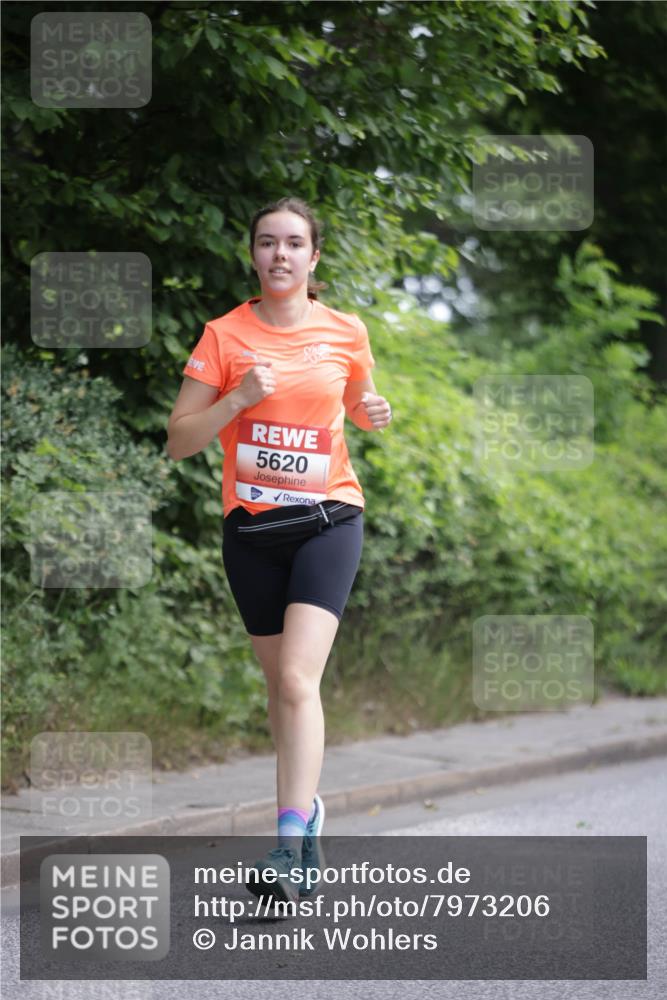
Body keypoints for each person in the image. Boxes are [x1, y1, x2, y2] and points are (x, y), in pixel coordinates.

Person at [166, 196, 392, 905]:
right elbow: (178, 440)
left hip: (329, 518)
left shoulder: (345, 331)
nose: (280, 255)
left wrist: (371, 412)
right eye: (267, 243)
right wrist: (236, 401)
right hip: (252, 533)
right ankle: (309, 810)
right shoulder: (224, 337)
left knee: (296, 678)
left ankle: (289, 845)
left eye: (294, 243)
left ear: (313, 256)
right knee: (281, 686)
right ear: (253, 254)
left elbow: (355, 403)